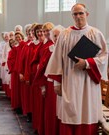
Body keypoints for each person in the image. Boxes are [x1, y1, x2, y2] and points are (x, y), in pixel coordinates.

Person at [45, 3, 109, 135]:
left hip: (89, 83)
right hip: (69, 82)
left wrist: (87, 63)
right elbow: (57, 59)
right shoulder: (64, 35)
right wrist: (57, 83)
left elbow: (104, 56)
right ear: (72, 16)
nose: (78, 16)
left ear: (87, 14)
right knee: (70, 113)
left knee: (88, 111)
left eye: (81, 13)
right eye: (75, 14)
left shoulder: (96, 33)